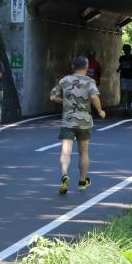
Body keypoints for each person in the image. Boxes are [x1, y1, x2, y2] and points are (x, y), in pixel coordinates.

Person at [50, 56, 106, 195]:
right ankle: (82, 181)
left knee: (65, 152)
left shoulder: (64, 80)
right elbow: (94, 97)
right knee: (83, 152)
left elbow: (52, 97)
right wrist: (100, 111)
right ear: (87, 67)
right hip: (84, 122)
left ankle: (64, 175)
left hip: (68, 121)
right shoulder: (89, 81)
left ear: (72, 65)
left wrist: (65, 102)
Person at [117, 44, 132, 113]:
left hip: (131, 77)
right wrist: (119, 69)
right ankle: (125, 107)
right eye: (124, 49)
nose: (125, 50)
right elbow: (121, 64)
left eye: (127, 49)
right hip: (123, 77)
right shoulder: (122, 58)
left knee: (129, 92)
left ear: (129, 50)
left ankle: (128, 105)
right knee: (124, 91)